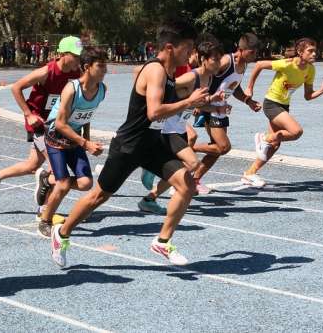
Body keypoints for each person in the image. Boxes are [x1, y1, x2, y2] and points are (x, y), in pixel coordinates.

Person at [50, 19, 213, 268]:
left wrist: (202, 102)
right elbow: (154, 112)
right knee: (97, 197)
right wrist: (189, 102)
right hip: (129, 145)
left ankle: (163, 241)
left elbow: (173, 106)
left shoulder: (169, 74)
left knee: (187, 184)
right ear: (170, 47)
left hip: (153, 145)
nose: (190, 53)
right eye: (188, 47)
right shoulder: (156, 70)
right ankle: (61, 234)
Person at [0, 36, 82, 210]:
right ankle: (44, 212)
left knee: (32, 165)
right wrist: (29, 115)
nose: (78, 59)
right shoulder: (46, 72)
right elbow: (16, 87)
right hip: (39, 124)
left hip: (56, 125)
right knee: (54, 167)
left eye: (80, 56)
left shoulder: (76, 73)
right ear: (64, 54)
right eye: (75, 55)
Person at [138, 37, 224, 214]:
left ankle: (150, 198)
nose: (218, 63)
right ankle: (152, 166)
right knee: (192, 163)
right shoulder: (191, 77)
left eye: (219, 59)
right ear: (202, 59)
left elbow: (195, 104)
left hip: (179, 127)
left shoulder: (208, 80)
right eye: (214, 59)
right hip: (167, 128)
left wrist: (215, 106)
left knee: (180, 169)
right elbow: (168, 89)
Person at [241, 38, 323, 187]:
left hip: (284, 106)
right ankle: (263, 138)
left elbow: (308, 96)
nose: (314, 53)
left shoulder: (310, 69)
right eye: (310, 51)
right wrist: (250, 88)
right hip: (271, 104)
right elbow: (259, 64)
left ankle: (250, 173)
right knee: (296, 131)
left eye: (315, 50)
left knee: (275, 144)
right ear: (300, 52)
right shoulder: (286, 64)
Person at [36, 47, 108, 237]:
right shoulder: (71, 89)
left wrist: (88, 139)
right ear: (87, 67)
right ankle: (45, 219)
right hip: (55, 137)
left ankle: (47, 179)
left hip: (74, 139)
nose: (105, 70)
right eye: (100, 66)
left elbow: (87, 115)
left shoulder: (101, 90)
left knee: (85, 183)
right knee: (64, 184)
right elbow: (60, 124)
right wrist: (86, 144)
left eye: (105, 66)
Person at [191, 33, 262, 193]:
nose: (254, 55)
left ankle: (194, 180)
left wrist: (248, 101)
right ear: (241, 49)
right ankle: (189, 148)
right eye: (252, 52)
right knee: (223, 147)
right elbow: (203, 74)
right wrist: (199, 100)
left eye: (256, 52)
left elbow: (234, 87)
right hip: (210, 107)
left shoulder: (243, 66)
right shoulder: (225, 61)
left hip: (221, 109)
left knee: (216, 150)